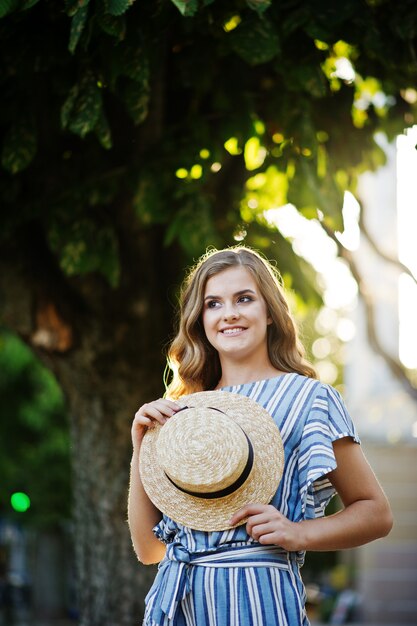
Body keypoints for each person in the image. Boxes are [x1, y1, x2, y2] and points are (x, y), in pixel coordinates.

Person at [128, 246, 393, 626]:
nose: (229, 313)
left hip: (259, 599)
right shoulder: (185, 414)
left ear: (269, 312)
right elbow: (150, 550)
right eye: (213, 304)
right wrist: (142, 449)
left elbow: (376, 513)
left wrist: (298, 533)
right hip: (178, 603)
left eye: (244, 299)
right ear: (199, 320)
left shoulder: (309, 399)